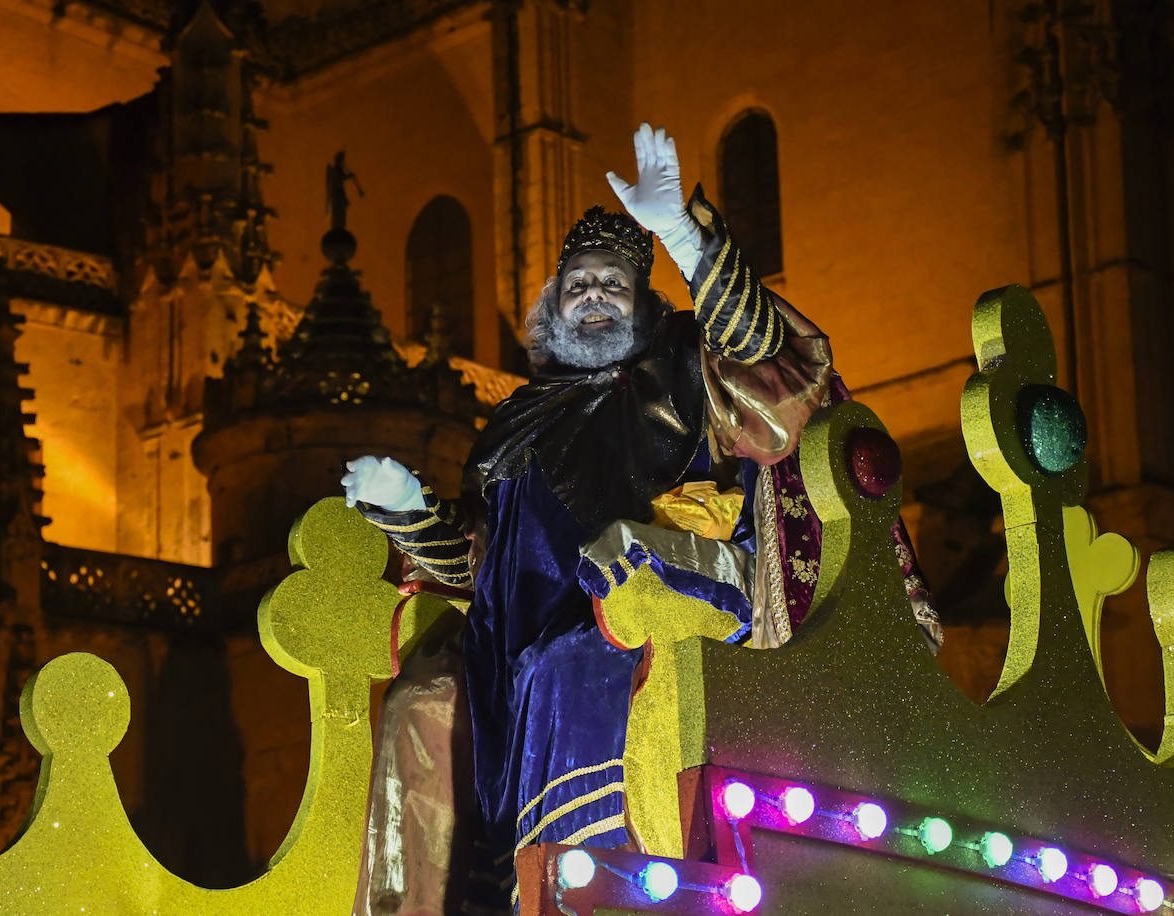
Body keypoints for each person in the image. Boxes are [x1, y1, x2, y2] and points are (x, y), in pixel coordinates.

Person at [344, 124, 941, 914]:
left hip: (675, 598)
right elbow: (483, 569)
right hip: (522, 645)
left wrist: (684, 238)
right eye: (577, 284)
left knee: (564, 668)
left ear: (643, 299)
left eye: (612, 283)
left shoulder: (689, 364)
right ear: (555, 306)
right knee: (419, 708)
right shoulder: (516, 424)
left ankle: (573, 894)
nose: (593, 294)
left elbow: (780, 372)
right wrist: (409, 514)